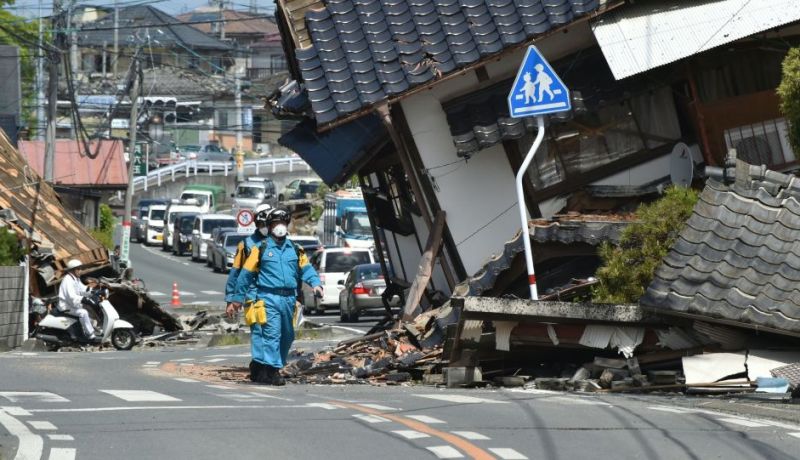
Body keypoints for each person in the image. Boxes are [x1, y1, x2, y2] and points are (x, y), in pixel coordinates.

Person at [229, 207, 323, 385]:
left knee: (288, 336)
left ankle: (266, 367)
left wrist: (316, 283)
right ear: (270, 226)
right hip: (267, 298)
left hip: (289, 299)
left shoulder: (296, 250)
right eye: (276, 223)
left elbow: (306, 269)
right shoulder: (260, 249)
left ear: (287, 225)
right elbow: (245, 275)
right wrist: (236, 299)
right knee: (272, 334)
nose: (279, 226)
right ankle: (272, 371)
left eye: (282, 223)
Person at [224, 204, 271, 379]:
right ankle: (259, 366)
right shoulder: (246, 245)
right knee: (259, 331)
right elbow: (236, 272)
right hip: (253, 296)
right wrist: (231, 298)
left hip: (276, 296)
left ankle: (272, 365)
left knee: (278, 332)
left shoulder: (282, 243)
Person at [57, 259, 99, 342]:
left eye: (81, 268)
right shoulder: (67, 280)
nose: (81, 271)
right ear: (73, 270)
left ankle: (89, 330)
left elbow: (82, 289)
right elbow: (71, 297)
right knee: (83, 313)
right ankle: (91, 336)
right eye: (79, 269)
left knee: (88, 312)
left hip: (72, 305)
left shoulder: (75, 279)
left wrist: (94, 291)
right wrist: (84, 299)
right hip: (66, 306)